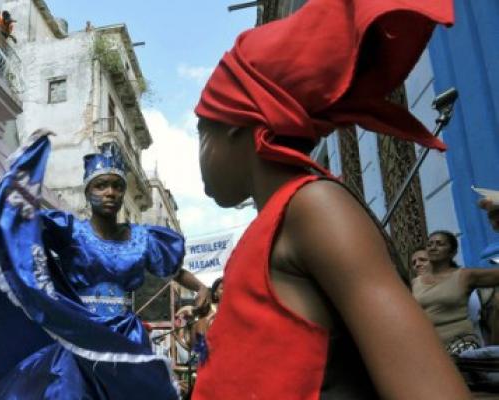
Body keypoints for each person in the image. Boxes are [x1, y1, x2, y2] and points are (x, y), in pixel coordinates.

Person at [188, 0, 471, 398]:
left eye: (203, 131)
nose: (199, 151)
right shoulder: (278, 221)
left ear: (237, 123)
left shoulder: (314, 207)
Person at [0, 132, 209, 399]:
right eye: (101, 185)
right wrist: (19, 183)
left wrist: (200, 287)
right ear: (88, 191)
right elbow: (24, 226)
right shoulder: (70, 231)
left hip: (125, 334)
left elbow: (174, 271)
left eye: (117, 186)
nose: (110, 193)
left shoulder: (143, 238)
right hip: (81, 331)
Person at [412, 230, 499, 355]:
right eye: (429, 244)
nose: (433, 247)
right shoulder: (416, 283)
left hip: (461, 344)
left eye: (439, 244)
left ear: (452, 252)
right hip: (430, 346)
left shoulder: (464, 276)